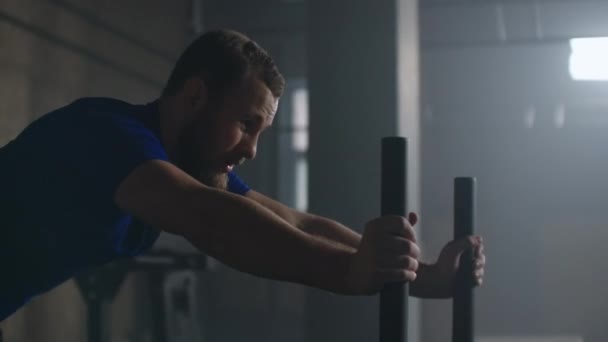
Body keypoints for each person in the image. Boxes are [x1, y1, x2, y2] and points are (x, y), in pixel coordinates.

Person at [0, 29, 485, 322]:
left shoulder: (179, 164)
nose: (251, 149)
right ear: (195, 97)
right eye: (245, 124)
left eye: (261, 132)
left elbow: (296, 224)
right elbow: (211, 219)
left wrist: (421, 276)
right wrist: (349, 272)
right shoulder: (112, 136)